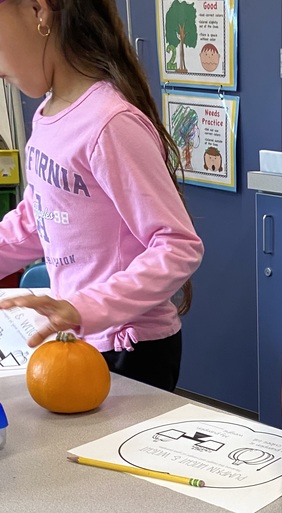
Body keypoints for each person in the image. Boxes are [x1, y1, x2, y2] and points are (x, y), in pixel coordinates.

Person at [0, 0, 204, 391]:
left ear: (38, 11)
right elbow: (40, 217)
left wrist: (82, 308)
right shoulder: (48, 113)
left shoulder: (110, 123)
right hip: (78, 339)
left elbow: (178, 245)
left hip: (129, 347)